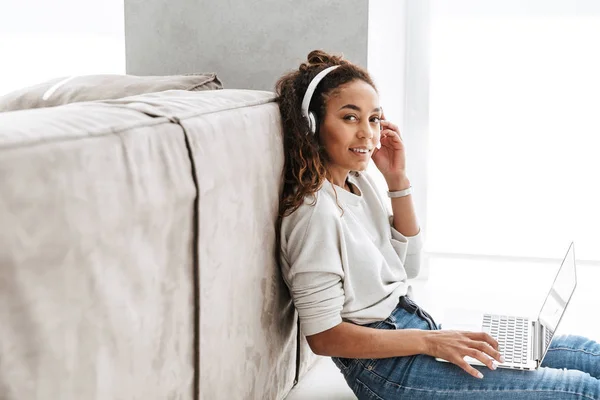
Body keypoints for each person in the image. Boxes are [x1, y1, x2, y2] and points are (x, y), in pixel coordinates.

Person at [274, 50, 600, 399]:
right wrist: (432, 341)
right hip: (387, 371)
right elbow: (324, 337)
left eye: (374, 119)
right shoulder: (313, 215)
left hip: (415, 330)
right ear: (312, 124)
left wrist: (397, 180)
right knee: (582, 391)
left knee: (587, 354)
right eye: (350, 118)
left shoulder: (359, 183)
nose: (367, 133)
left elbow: (407, 266)